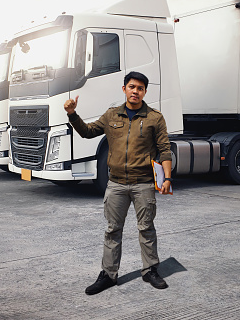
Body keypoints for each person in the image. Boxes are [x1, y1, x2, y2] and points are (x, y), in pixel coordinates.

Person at [64, 71, 173, 295]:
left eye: (140, 88)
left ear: (144, 92)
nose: (135, 91)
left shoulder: (154, 117)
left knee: (146, 228)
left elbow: (165, 150)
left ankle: (150, 270)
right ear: (124, 89)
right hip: (116, 184)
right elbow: (87, 132)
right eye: (132, 87)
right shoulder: (112, 115)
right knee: (113, 230)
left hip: (143, 183)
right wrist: (73, 114)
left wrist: (168, 178)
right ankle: (108, 275)